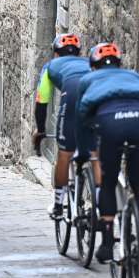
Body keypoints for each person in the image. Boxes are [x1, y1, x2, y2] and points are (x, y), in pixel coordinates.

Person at [75, 42, 139, 264]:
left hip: (110, 121)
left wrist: (83, 152)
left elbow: (82, 117)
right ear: (119, 64)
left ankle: (106, 244)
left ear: (93, 66)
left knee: (108, 181)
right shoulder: (134, 76)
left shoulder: (88, 79)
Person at [33, 33, 99, 218]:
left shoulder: (50, 67)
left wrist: (40, 131)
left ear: (55, 53)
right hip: (95, 97)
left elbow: (41, 102)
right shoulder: (88, 63)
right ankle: (99, 203)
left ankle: (57, 205)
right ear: (78, 53)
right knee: (95, 153)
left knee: (64, 154)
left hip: (70, 98)